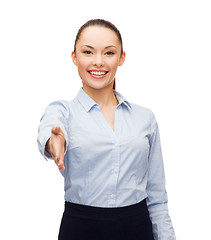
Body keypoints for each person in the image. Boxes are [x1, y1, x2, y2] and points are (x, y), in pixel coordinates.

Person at [37, 19, 176, 240]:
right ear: (74, 57)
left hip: (137, 229)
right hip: (81, 230)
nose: (98, 61)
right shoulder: (62, 111)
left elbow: (157, 197)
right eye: (88, 52)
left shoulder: (144, 118)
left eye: (109, 53)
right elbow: (50, 128)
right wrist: (53, 142)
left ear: (121, 58)